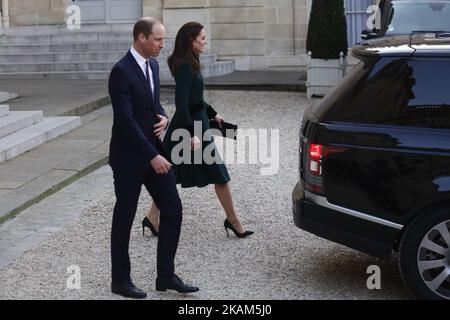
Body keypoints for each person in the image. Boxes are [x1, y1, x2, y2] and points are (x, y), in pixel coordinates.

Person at [108, 17, 199, 299]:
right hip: (130, 159)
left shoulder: (154, 65)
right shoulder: (120, 71)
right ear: (141, 38)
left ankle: (165, 275)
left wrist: (164, 116)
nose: (163, 45)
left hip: (153, 152)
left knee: (172, 208)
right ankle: (120, 281)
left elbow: (151, 103)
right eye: (158, 39)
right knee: (124, 217)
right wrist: (153, 157)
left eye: (163, 39)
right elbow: (126, 121)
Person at [141, 22, 254, 239]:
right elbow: (182, 104)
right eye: (202, 38)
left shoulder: (191, 61)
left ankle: (152, 217)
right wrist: (191, 133)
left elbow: (196, 99)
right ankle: (233, 221)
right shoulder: (184, 66)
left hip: (196, 124)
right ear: (190, 40)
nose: (205, 40)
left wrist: (213, 114)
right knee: (218, 175)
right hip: (190, 128)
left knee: (171, 172)